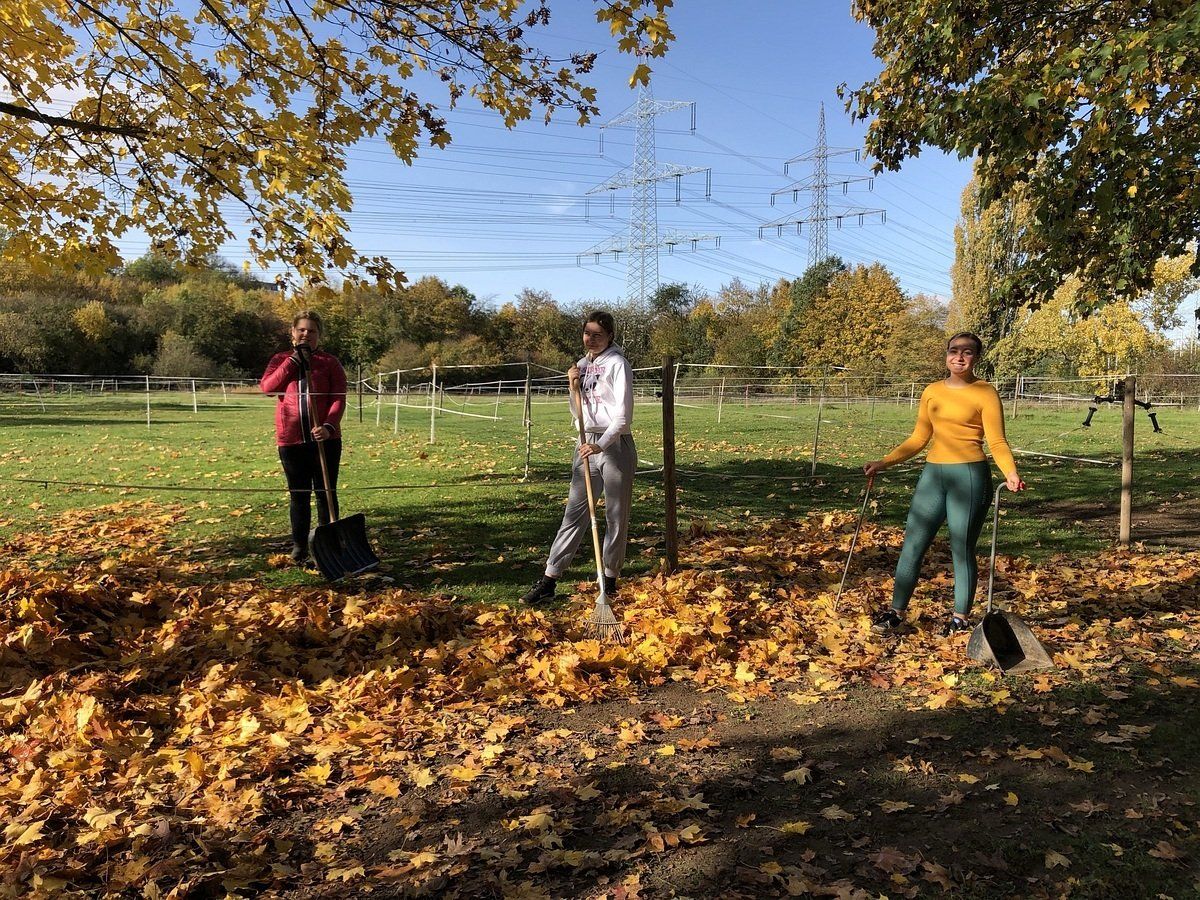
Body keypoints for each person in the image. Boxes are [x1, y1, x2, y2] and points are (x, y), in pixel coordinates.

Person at [862, 332, 1025, 635]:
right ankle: (896, 612)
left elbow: (997, 441)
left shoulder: (985, 392)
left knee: (961, 548)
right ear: (947, 355)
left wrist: (1010, 472)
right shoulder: (932, 391)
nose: (959, 357)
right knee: (913, 544)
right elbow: (918, 438)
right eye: (954, 350)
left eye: (967, 352)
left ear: (977, 358)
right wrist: (884, 462)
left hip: (969, 477)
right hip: (933, 476)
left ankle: (960, 619)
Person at [521, 310, 636, 605]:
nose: (591, 339)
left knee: (615, 515)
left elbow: (623, 416)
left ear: (610, 336)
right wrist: (572, 387)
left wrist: (602, 445)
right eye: (588, 333)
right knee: (574, 514)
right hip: (585, 442)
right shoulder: (582, 366)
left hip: (614, 445)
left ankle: (609, 581)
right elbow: (578, 412)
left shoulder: (618, 364)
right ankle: (549, 580)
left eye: (598, 334)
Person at [260, 311, 347, 564]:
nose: (306, 334)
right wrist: (293, 361)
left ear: (319, 335)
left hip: (325, 441)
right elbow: (268, 388)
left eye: (312, 331)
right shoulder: (281, 359)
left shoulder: (329, 362)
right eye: (302, 330)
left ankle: (327, 545)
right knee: (299, 495)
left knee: (325, 493)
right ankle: (299, 547)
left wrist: (328, 427)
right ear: (293, 332)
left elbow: (338, 398)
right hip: (291, 441)